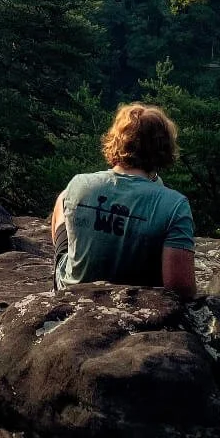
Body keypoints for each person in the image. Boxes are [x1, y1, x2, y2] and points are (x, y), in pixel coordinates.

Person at [50, 103, 197, 299]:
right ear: (164, 148)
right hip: (137, 302)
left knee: (63, 198)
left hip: (72, 294)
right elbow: (179, 289)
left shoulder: (79, 183)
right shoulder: (175, 204)